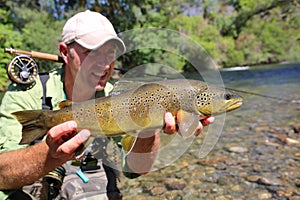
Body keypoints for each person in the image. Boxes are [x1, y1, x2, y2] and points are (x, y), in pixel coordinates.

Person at [0, 10, 214, 199]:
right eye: (91, 52)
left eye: (109, 53)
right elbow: (2, 174)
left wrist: (149, 129)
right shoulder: (28, 93)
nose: (103, 64)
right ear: (65, 52)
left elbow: (136, 169)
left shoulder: (121, 96)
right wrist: (52, 155)